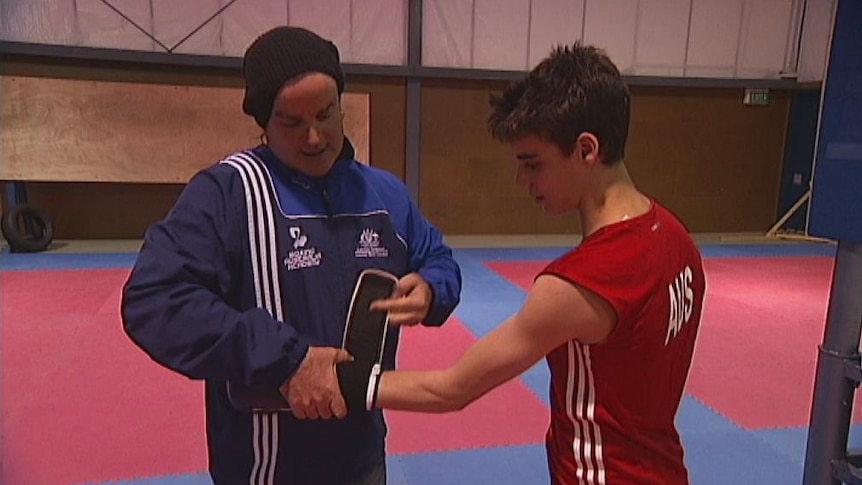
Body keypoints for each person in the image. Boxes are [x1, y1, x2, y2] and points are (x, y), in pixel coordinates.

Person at [336, 43, 705, 484]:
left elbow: (452, 389)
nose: (522, 181)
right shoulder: (676, 238)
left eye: (534, 164)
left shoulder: (578, 284)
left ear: (587, 149)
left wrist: (341, 380)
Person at [121, 26, 461, 484]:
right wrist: (288, 361)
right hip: (267, 466)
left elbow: (438, 257)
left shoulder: (384, 194)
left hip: (364, 456)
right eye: (291, 122)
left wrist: (432, 288)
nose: (315, 137)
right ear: (263, 122)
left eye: (326, 114)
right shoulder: (227, 192)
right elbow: (153, 300)